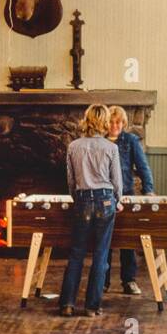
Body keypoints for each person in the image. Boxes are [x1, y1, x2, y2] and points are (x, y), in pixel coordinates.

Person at [59, 104, 123, 317]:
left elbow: (70, 181)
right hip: (105, 201)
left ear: (86, 120)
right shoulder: (111, 148)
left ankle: (67, 304)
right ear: (105, 122)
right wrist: (117, 200)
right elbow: (117, 183)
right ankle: (92, 307)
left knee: (77, 253)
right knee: (101, 254)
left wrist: (77, 198)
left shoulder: (73, 146)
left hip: (82, 200)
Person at [103, 105, 155, 295]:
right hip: (104, 196)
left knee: (127, 240)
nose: (114, 125)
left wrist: (148, 190)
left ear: (123, 123)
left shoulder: (130, 140)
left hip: (126, 194)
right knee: (105, 241)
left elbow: (143, 167)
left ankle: (129, 280)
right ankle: (103, 281)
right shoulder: (100, 141)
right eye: (111, 121)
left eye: (118, 122)